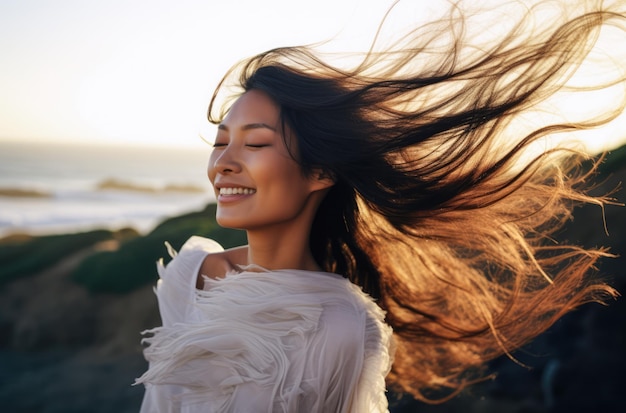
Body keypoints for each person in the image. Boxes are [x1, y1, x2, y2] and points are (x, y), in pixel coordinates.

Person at [135, 0, 626, 411]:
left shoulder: (345, 326)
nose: (224, 163)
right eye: (221, 142)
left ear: (320, 172)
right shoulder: (190, 278)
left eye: (256, 144)